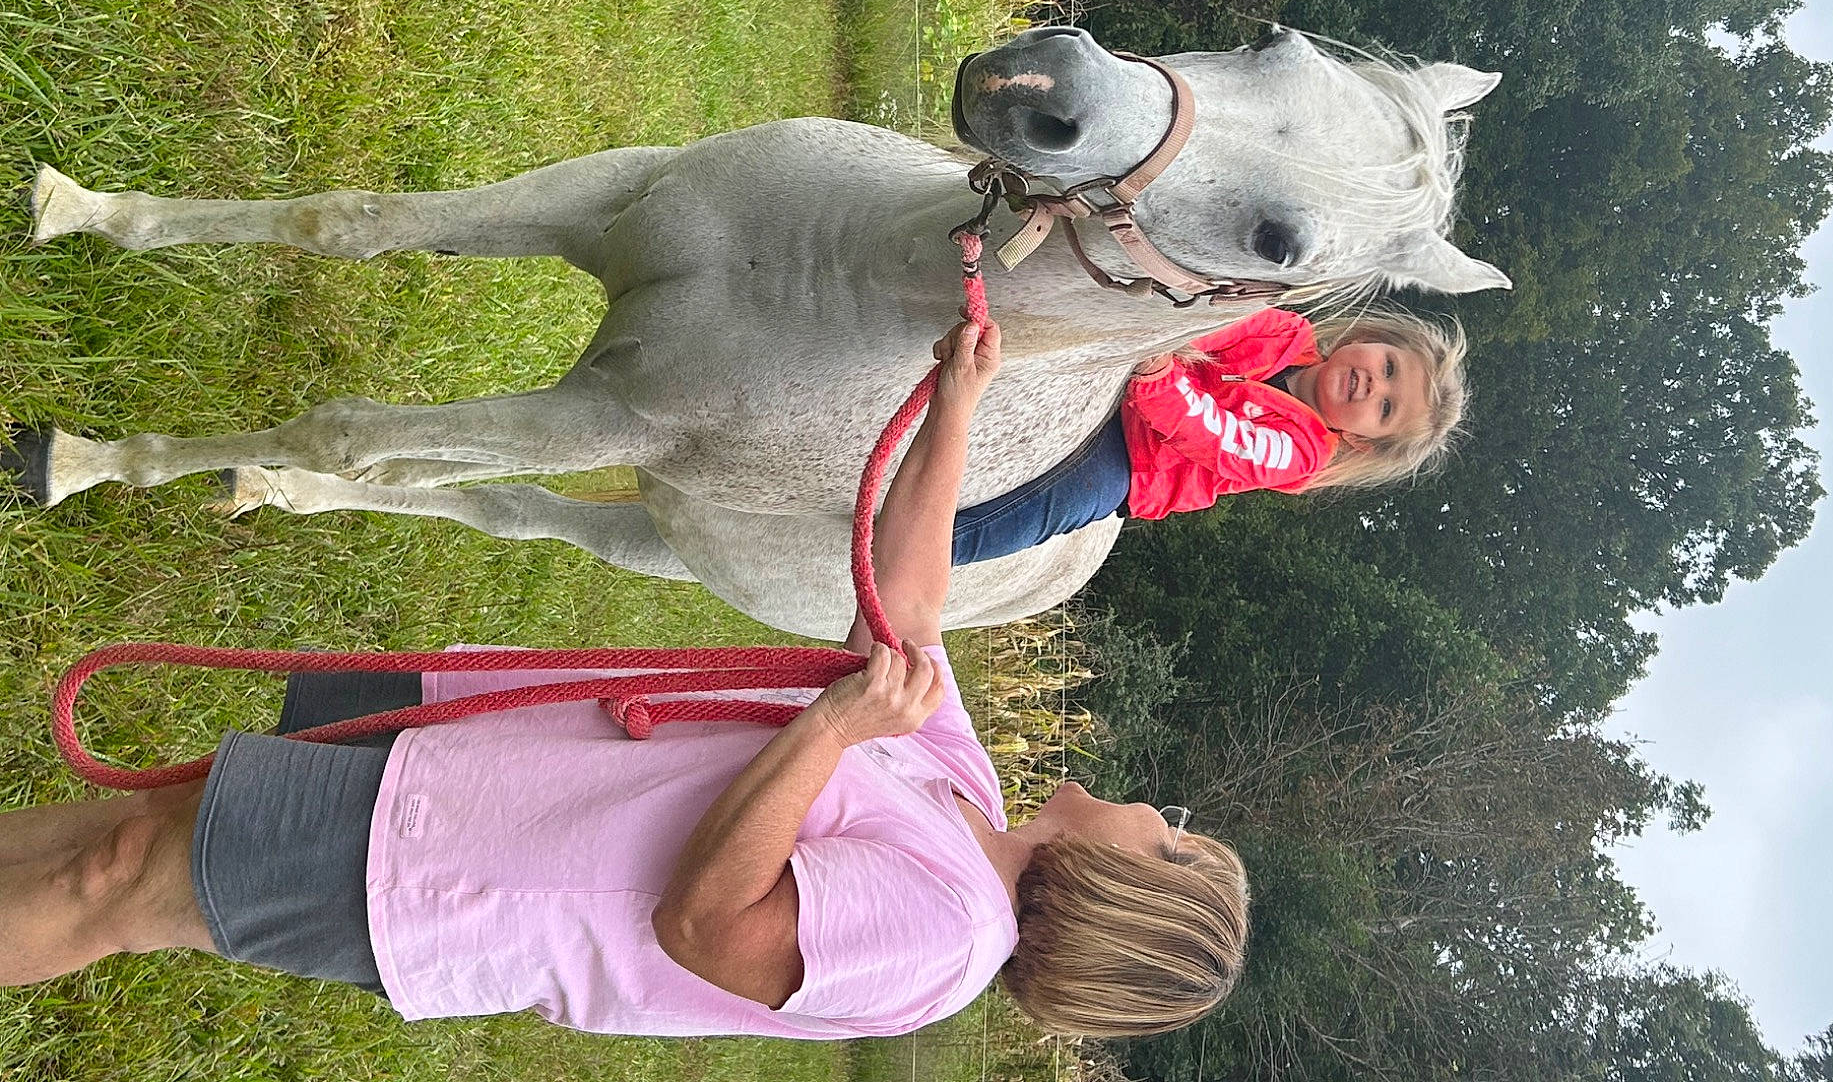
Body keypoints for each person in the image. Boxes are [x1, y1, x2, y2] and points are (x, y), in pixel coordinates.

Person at [0, 317, 1250, 1041]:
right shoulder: (963, 797)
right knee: (140, 833)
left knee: (125, 885)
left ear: (1138, 888)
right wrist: (961, 401)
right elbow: (907, 611)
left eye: (1175, 841)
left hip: (454, 876)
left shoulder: (950, 938)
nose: (1159, 815)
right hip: (482, 751)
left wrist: (825, 733)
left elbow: (712, 929)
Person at [951, 305, 1468, 564]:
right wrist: (1166, 333)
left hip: (1136, 461)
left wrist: (1160, 375)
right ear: (1369, 340)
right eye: (1390, 367)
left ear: (1359, 441)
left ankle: (927, 547)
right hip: (1146, 363)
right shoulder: (1285, 331)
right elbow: (1213, 325)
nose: (1374, 384)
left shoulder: (1301, 452)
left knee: (1052, 505)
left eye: (1385, 409)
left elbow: (1219, 437)